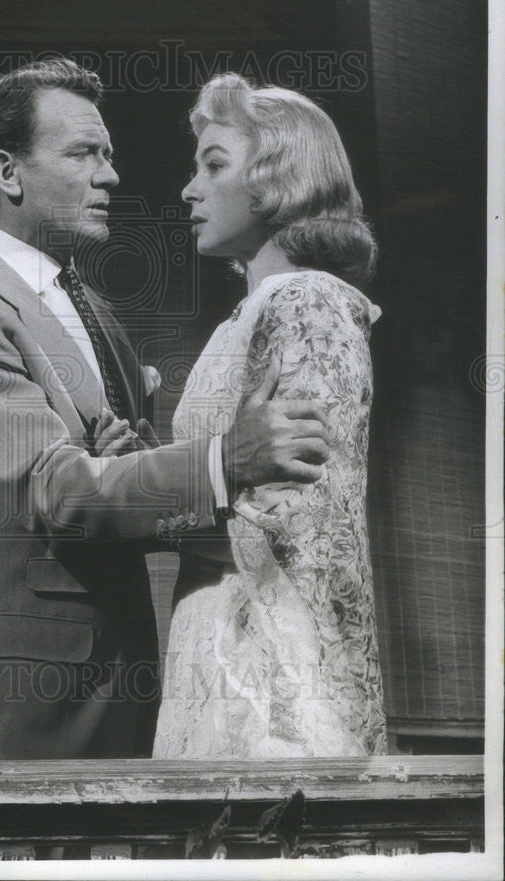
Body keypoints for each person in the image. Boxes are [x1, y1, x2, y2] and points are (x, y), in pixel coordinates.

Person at [0, 59, 332, 761]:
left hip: (125, 689)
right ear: (8, 174)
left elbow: (132, 501)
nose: (111, 177)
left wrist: (142, 465)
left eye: (109, 155)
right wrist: (224, 460)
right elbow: (55, 491)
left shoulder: (101, 317)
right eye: (83, 154)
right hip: (16, 709)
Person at [152, 74, 387, 758]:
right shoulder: (253, 312)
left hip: (273, 666)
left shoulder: (308, 300)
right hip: (215, 632)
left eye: (214, 164)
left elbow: (311, 522)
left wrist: (144, 495)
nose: (190, 189)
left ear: (279, 176)